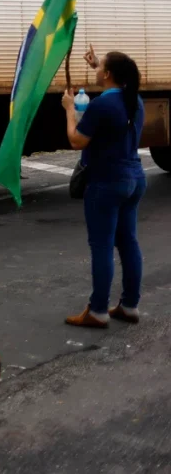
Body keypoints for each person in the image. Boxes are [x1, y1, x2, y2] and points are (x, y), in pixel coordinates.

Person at [62, 44, 146, 328]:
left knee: (102, 246)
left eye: (99, 68)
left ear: (108, 74)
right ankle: (130, 306)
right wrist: (98, 62)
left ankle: (97, 310)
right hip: (134, 177)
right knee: (128, 242)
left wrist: (70, 110)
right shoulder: (135, 100)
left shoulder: (101, 105)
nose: (96, 70)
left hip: (106, 181)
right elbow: (115, 81)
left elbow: (76, 141)